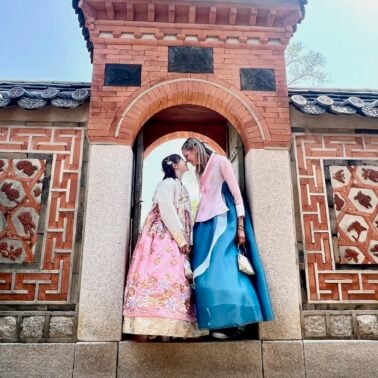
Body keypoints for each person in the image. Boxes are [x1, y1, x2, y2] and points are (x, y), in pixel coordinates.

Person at [181, 137, 274, 339]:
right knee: (201, 276)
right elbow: (204, 199)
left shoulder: (222, 162)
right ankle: (216, 322)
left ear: (195, 149)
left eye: (187, 156)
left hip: (224, 220)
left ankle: (233, 322)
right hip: (203, 224)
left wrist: (240, 226)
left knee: (223, 271)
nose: (187, 161)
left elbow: (236, 194)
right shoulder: (199, 171)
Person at [123, 154, 202, 338]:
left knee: (176, 278)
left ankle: (171, 329)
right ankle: (153, 328)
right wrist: (181, 240)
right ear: (174, 165)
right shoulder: (167, 184)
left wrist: (187, 241)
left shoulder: (181, 186)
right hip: (163, 238)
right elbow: (167, 212)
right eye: (182, 160)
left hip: (177, 238)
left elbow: (186, 218)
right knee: (160, 275)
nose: (185, 162)